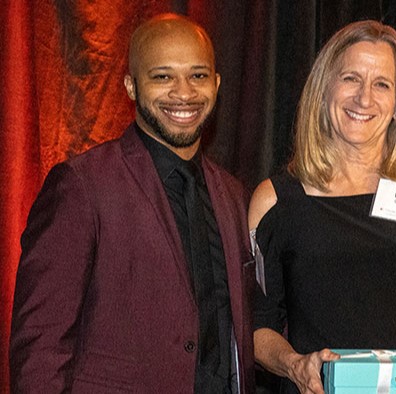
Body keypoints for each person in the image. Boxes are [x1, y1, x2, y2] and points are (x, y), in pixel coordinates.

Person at [10, 13, 255, 393]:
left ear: (217, 83)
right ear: (130, 86)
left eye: (198, 75)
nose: (184, 92)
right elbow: (41, 346)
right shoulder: (81, 186)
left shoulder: (232, 194)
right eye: (162, 76)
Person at [249, 20, 396, 394]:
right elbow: (258, 327)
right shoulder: (276, 201)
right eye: (350, 79)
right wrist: (295, 365)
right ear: (324, 88)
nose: (364, 98)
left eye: (382, 84)